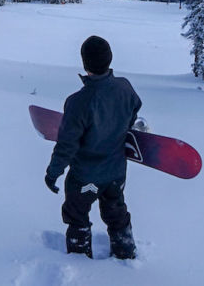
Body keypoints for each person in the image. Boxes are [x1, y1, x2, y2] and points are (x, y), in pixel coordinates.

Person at [44, 35, 142, 259]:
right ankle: (125, 251)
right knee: (116, 211)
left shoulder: (78, 102)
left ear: (85, 63)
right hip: (116, 175)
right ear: (109, 59)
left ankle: (79, 262)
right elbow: (134, 109)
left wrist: (53, 173)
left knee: (77, 213)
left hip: (87, 180)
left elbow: (67, 145)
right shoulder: (125, 87)